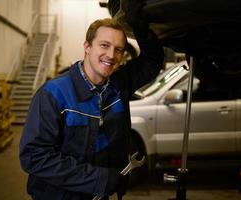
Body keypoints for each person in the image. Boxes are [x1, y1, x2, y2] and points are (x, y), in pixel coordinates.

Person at [19, 1, 164, 199]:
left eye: (119, 49)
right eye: (104, 45)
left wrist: (140, 27)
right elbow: (34, 157)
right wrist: (98, 179)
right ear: (87, 47)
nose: (111, 55)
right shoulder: (52, 94)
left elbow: (152, 62)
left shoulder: (118, 84)